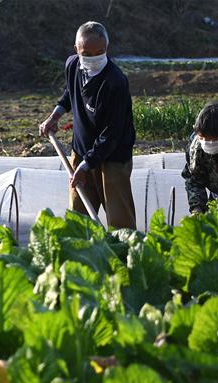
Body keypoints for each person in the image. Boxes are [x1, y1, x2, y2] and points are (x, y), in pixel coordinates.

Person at [38, 21, 137, 230]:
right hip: (81, 151)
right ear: (77, 49)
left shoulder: (115, 82)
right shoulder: (73, 65)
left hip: (112, 158)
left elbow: (111, 133)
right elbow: (69, 93)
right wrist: (55, 116)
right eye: (87, 53)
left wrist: (87, 164)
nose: (93, 58)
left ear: (106, 49)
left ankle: (123, 256)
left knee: (120, 221)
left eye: (99, 52)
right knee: (78, 217)